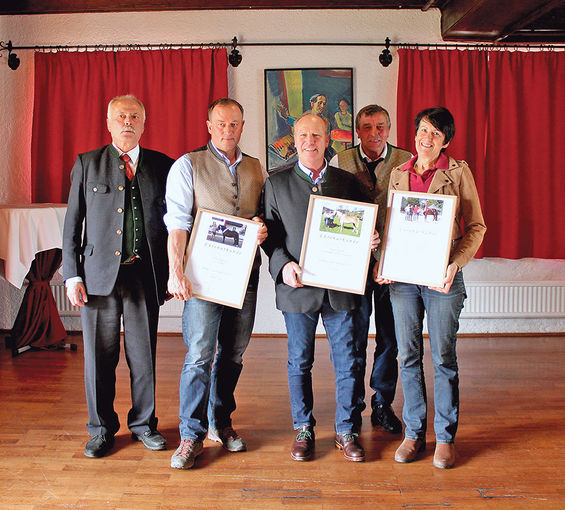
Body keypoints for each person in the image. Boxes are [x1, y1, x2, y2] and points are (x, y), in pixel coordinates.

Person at [262, 113, 379, 463]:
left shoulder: (349, 181)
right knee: (299, 361)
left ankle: (347, 429)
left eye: (316, 135)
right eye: (302, 135)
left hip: (341, 289)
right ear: (294, 139)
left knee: (349, 360)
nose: (309, 141)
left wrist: (371, 238)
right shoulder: (276, 184)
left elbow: (366, 224)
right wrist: (283, 265)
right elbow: (269, 238)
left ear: (329, 140)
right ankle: (303, 428)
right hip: (298, 289)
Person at [63, 94, 174, 458]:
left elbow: (177, 222)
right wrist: (71, 276)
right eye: (121, 116)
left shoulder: (163, 166)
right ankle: (100, 429)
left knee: (143, 357)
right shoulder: (87, 163)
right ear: (109, 123)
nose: (128, 121)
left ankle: (144, 425)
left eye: (135, 116)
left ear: (144, 123)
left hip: (144, 274)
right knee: (99, 358)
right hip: (97, 279)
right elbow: (72, 225)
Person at [165, 98, 268, 470]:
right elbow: (177, 225)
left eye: (235, 124)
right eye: (221, 124)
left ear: (242, 126)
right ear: (209, 125)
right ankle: (190, 434)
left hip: (246, 276)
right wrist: (176, 270)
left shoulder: (257, 168)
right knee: (199, 355)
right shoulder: (187, 165)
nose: (228, 130)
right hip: (203, 279)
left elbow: (262, 217)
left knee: (235, 353)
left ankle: (220, 422)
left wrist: (263, 228)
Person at [382, 107, 486, 469]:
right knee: (407, 356)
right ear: (415, 133)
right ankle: (414, 434)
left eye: (435, 134)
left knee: (443, 358)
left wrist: (455, 263)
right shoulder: (399, 173)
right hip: (404, 280)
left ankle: (445, 437)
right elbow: (389, 226)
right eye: (422, 131)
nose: (426, 139)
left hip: (443, 277)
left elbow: (476, 226)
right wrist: (384, 262)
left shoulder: (458, 173)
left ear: (446, 141)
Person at [330, 105, 411, 434]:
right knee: (355, 336)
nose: (374, 133)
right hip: (355, 263)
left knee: (390, 338)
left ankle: (383, 403)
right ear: (358, 131)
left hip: (394, 262)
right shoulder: (340, 161)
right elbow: (332, 208)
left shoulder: (407, 160)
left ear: (389, 130)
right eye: (367, 127)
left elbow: (410, 213)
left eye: (380, 127)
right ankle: (354, 404)